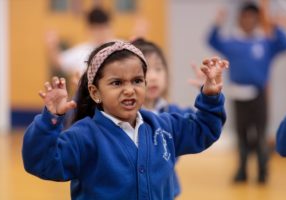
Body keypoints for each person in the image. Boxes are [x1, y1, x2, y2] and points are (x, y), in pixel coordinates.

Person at [22, 41, 228, 200]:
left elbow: (204, 129)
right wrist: (50, 119)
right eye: (117, 82)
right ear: (95, 92)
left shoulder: (164, 127)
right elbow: (42, 162)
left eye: (137, 81)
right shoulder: (84, 136)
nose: (129, 89)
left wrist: (210, 96)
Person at [207, 2, 286, 183]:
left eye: (253, 17)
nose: (249, 20)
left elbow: (285, 44)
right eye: (245, 16)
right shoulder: (232, 43)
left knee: (260, 135)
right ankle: (242, 171)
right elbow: (212, 40)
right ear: (240, 19)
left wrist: (275, 23)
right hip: (238, 96)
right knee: (241, 135)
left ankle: (262, 171)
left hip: (259, 96)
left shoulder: (265, 42)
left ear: (257, 20)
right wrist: (218, 22)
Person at [132, 38, 194, 198]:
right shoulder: (126, 115)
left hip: (166, 190)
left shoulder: (172, 113)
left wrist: (208, 93)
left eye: (158, 69)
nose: (152, 77)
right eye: (145, 71)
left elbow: (203, 126)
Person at [46, 6, 114, 77]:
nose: (101, 33)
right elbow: (59, 62)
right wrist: (52, 46)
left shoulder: (120, 47)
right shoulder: (82, 51)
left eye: (104, 28)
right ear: (89, 29)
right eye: (97, 29)